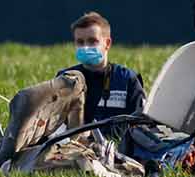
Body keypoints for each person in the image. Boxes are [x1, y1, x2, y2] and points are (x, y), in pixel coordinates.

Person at [57, 11, 145, 140]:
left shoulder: (127, 79)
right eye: (80, 42)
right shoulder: (64, 79)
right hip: (73, 151)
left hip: (117, 152)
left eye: (92, 41)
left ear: (107, 43)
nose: (85, 47)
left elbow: (141, 124)